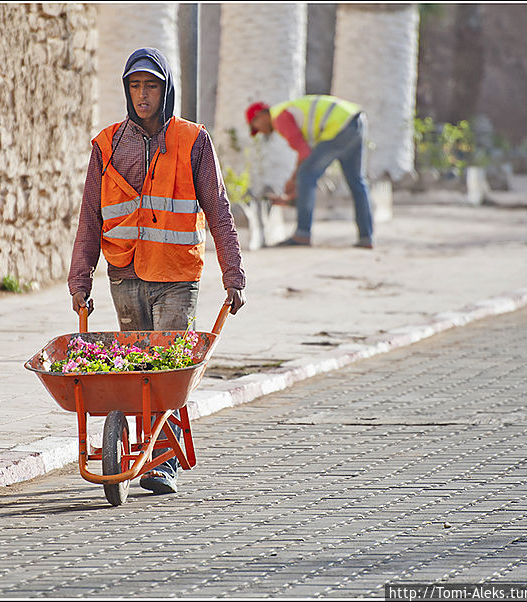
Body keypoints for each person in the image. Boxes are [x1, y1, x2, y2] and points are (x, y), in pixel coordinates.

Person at [68, 47, 246, 495]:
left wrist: (233, 275)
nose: (142, 94)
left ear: (166, 90)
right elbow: (90, 215)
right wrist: (79, 279)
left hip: (176, 276)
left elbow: (219, 211)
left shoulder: (193, 141)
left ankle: (160, 463)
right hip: (124, 276)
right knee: (138, 373)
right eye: (134, 86)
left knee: (165, 371)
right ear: (126, 91)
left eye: (151, 85)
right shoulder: (107, 144)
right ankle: (140, 449)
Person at [246, 95, 375, 248]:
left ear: (260, 115)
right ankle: (366, 237)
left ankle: (302, 234)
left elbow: (304, 154)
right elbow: (308, 154)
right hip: (356, 120)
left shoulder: (280, 117)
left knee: (306, 176)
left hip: (339, 126)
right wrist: (296, 188)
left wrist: (293, 181)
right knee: (356, 181)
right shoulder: (287, 111)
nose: (260, 131)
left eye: (256, 126)